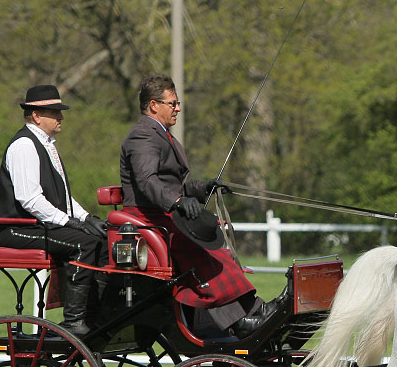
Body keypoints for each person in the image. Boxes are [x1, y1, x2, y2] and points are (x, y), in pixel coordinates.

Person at [119, 74, 279, 337]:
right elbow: (148, 182)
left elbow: (178, 184)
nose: (178, 108)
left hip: (165, 215)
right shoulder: (143, 136)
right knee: (197, 247)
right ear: (153, 105)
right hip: (149, 219)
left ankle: (254, 309)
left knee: (217, 247)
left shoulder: (162, 135)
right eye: (173, 103)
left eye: (177, 103)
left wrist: (205, 187)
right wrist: (179, 202)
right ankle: (237, 321)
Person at [0, 84, 108, 337]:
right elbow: (30, 200)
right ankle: (74, 322)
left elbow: (62, 197)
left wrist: (87, 218)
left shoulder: (46, 144)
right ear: (36, 115)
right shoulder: (24, 145)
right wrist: (69, 222)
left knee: (102, 238)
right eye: (55, 112)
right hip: (18, 229)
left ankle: (95, 315)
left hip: (39, 225)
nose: (61, 117)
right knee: (85, 243)